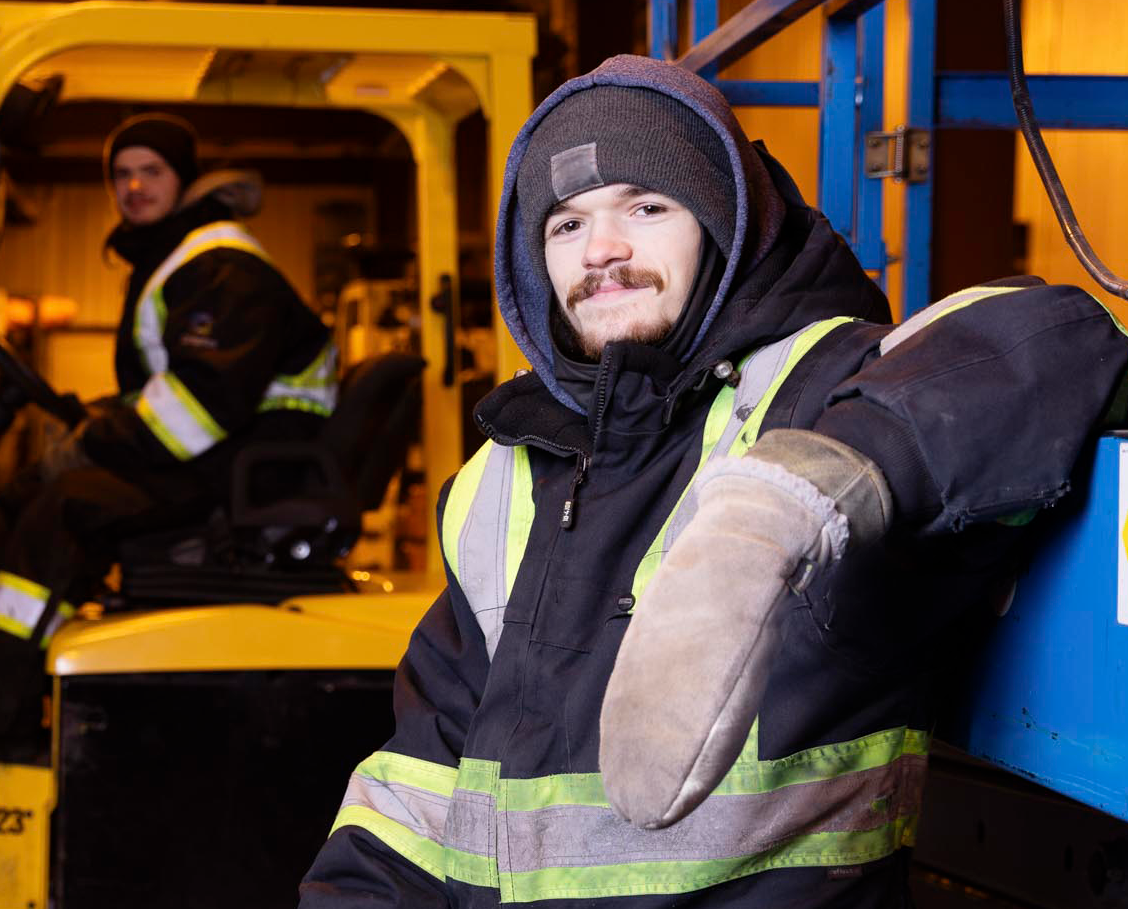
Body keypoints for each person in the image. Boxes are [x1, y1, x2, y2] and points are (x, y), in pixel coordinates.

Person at [297, 55, 1128, 908]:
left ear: (724, 224)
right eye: (566, 225)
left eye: (646, 208)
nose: (604, 251)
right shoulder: (498, 481)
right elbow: (412, 795)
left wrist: (791, 495)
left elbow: (1053, 333)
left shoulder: (814, 394)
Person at [0, 113, 336, 771]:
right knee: (31, 487)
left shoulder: (219, 265)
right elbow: (172, 394)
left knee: (67, 504)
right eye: (122, 174)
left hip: (246, 468)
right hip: (223, 455)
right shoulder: (177, 257)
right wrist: (92, 421)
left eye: (152, 172)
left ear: (183, 180)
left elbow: (200, 405)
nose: (134, 187)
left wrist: (94, 439)